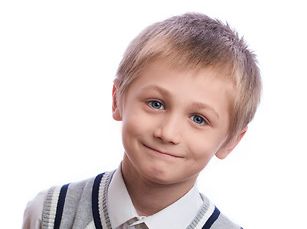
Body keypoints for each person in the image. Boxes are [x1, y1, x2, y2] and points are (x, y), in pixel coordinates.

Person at [22, 12, 262, 229]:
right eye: (155, 104)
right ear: (117, 100)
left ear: (231, 142)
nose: (168, 133)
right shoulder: (49, 214)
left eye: (198, 119)